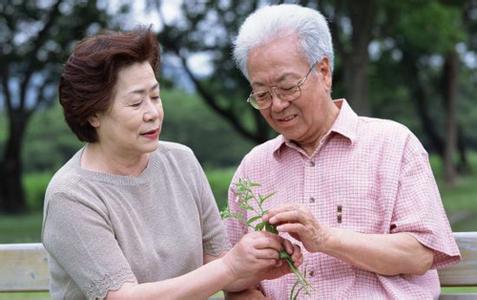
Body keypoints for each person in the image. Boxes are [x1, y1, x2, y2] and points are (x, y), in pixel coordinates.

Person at [41, 28, 303, 300]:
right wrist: (230, 266)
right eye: (136, 103)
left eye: (155, 97)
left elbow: (217, 263)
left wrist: (260, 265)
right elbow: (124, 297)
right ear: (93, 114)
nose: (153, 113)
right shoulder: (70, 196)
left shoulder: (181, 161)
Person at [225, 4, 461, 299]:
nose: (276, 105)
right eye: (261, 94)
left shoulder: (393, 144)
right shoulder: (253, 168)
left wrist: (325, 239)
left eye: (287, 87)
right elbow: (235, 282)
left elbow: (421, 255)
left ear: (323, 72)